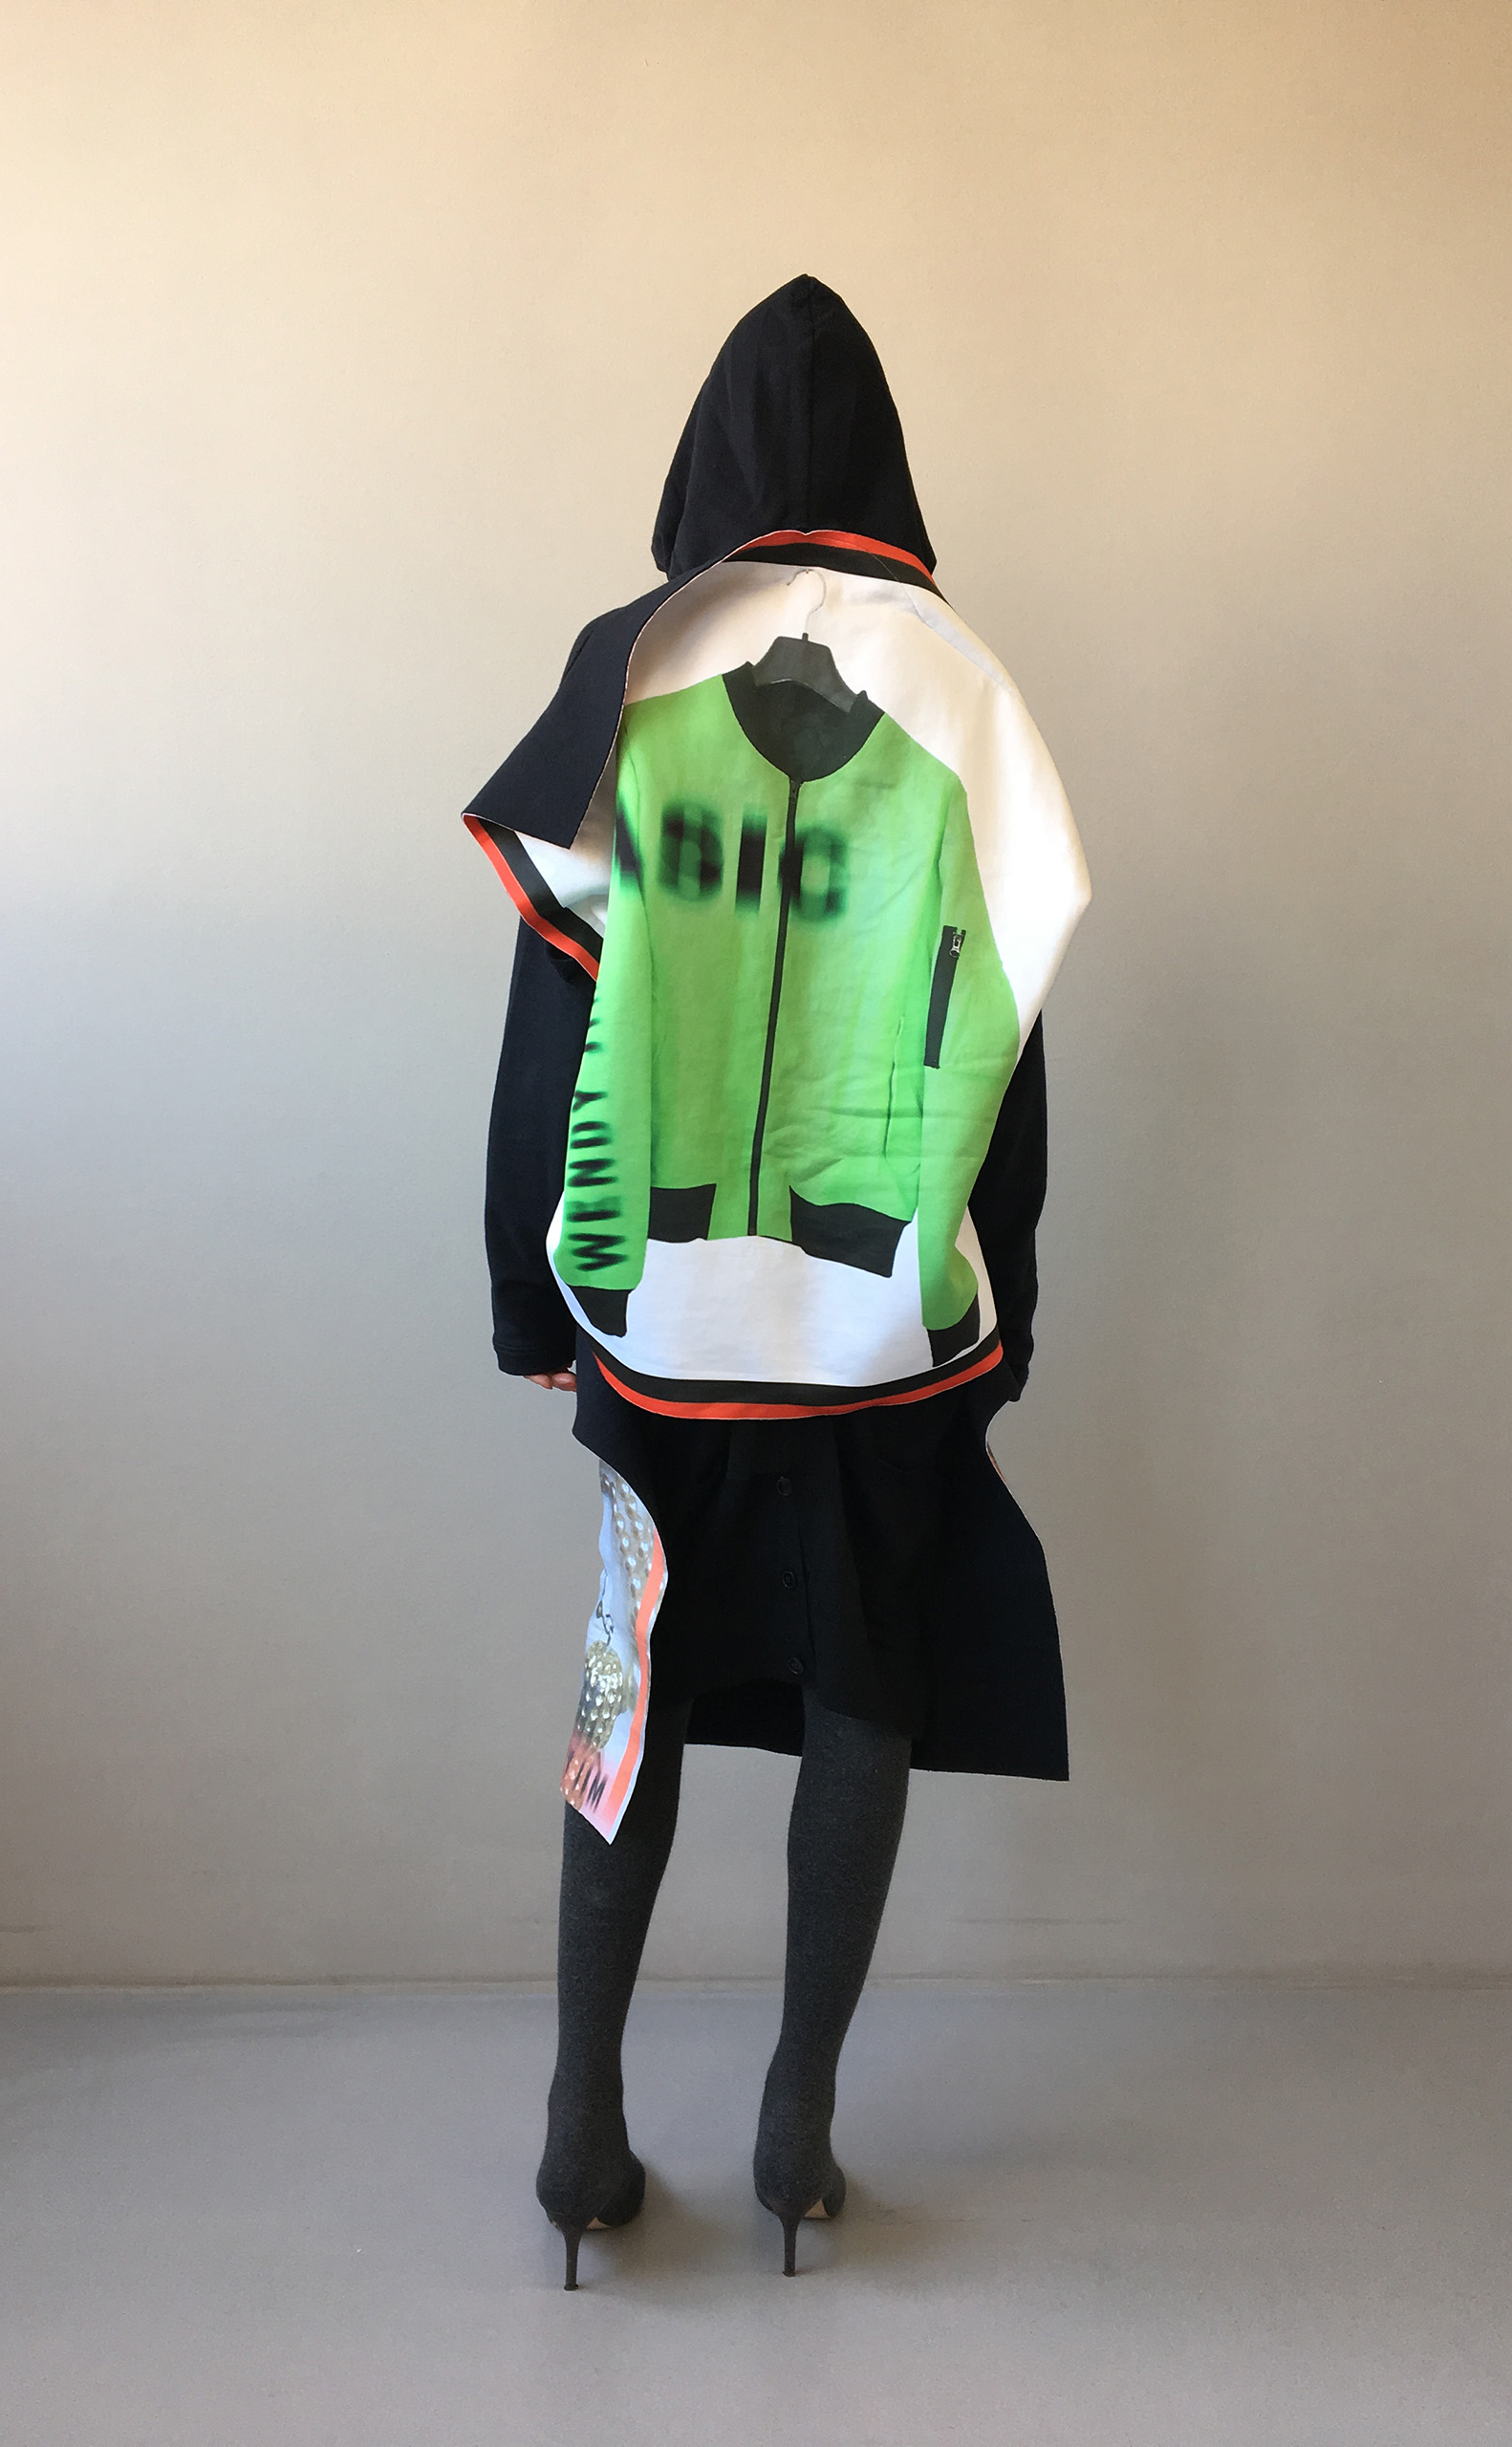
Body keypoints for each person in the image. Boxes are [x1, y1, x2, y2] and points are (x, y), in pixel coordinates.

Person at [465, 275, 1090, 2286]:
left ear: (707, 454)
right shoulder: (969, 702)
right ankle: (798, 2130)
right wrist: (1004, 1297)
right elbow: (1011, 1040)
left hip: (656, 1318)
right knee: (862, 1686)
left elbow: (551, 1018)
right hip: (884, 1320)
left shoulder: (627, 676)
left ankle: (579, 2131)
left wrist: (528, 1292)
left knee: (629, 1685)